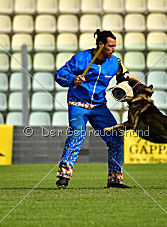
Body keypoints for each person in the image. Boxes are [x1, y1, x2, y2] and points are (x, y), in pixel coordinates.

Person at [54, 29, 131, 189]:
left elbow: (124, 77)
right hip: (78, 104)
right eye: (110, 46)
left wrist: (124, 86)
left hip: (99, 106)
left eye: (115, 46)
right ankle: (63, 176)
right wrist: (73, 79)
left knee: (116, 136)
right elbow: (59, 74)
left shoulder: (115, 62)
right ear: (101, 44)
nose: (113, 49)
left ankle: (115, 180)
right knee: (77, 135)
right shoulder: (81, 58)